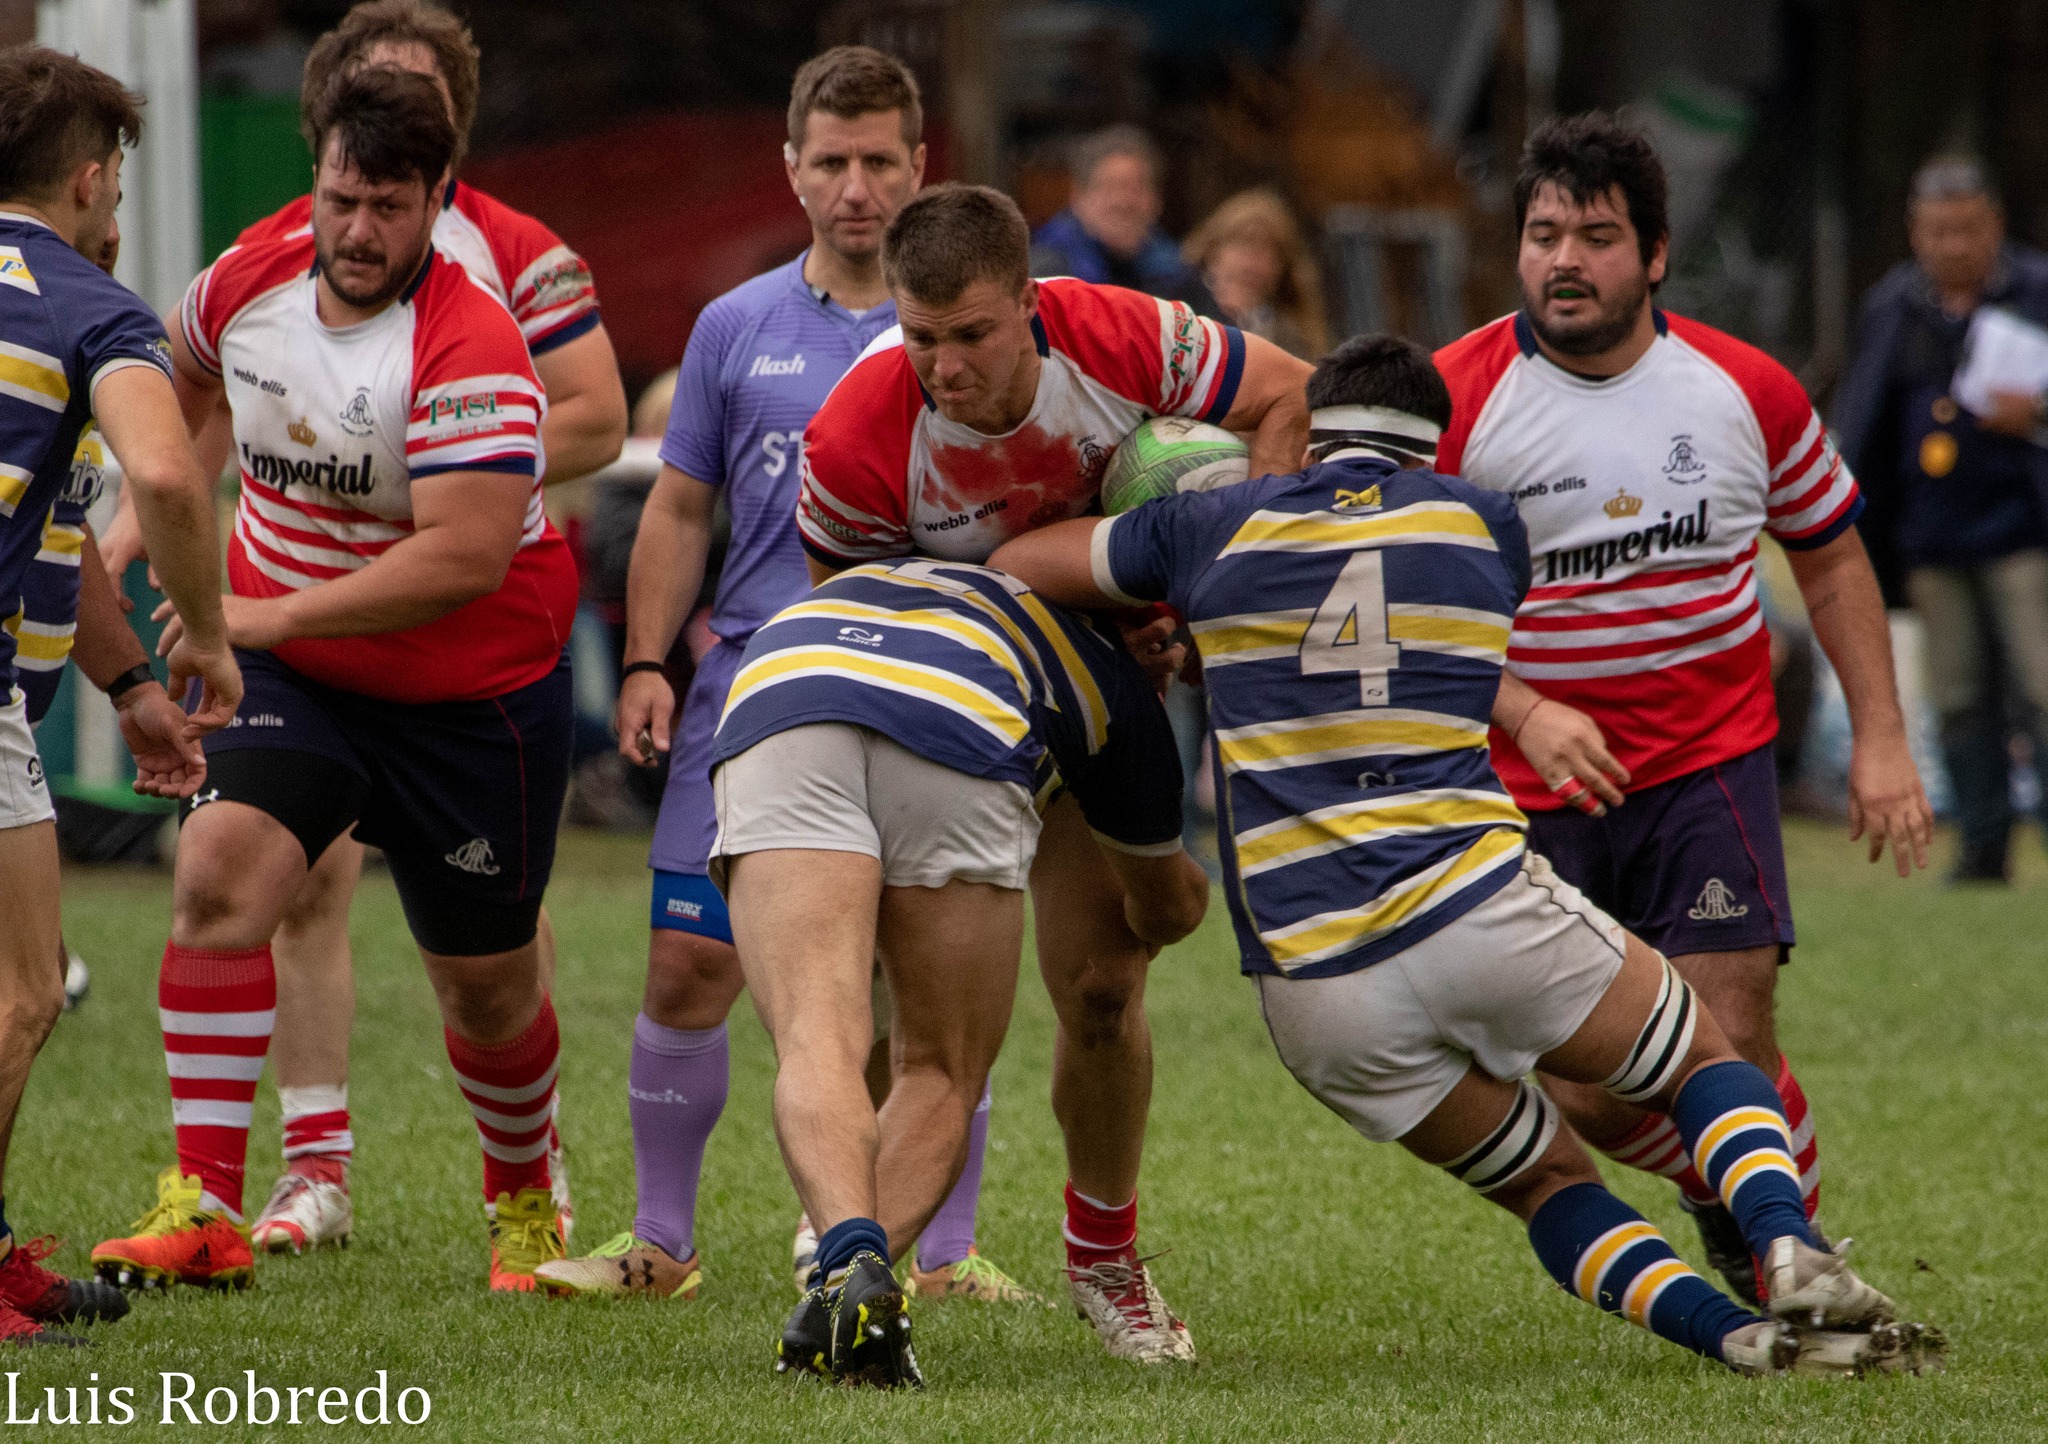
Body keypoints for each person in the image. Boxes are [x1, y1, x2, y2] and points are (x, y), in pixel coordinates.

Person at [988, 333, 1941, 1380]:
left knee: (1544, 1183)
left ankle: (1741, 1340)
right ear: (1431, 444)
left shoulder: (1206, 530)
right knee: (1703, 1063)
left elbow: (1016, 565)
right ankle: (1787, 1248)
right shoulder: (1485, 523)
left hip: (1314, 988)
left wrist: (1159, 582)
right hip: (1474, 909)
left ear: (1312, 428)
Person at [100, 0, 629, 1257]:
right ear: (317, 172)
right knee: (219, 875)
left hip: (471, 694)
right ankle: (204, 1208)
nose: (357, 230)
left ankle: (521, 1196)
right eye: (341, 199)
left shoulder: (475, 339)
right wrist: (133, 526)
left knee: (487, 985)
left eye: (388, 207)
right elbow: (180, 385)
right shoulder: (248, 274)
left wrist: (252, 609)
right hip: (295, 670)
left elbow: (461, 558)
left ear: (438, 199)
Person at [537, 46, 1033, 1307]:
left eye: (879, 161)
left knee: (923, 994)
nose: (856, 188)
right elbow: (677, 508)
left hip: (928, 690)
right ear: (791, 169)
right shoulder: (734, 326)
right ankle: (661, 1241)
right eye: (831, 162)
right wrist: (644, 662)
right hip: (750, 691)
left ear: (919, 166)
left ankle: (940, 1253)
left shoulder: (966, 330)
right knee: (685, 967)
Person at [797, 181, 1311, 1362]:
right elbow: (856, 620)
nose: (945, 367)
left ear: (1030, 302)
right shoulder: (855, 434)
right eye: (922, 337)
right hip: (948, 707)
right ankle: (851, 1238)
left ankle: (1103, 1257)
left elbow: (1288, 394)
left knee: (1102, 987)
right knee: (901, 995)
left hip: (1105, 696)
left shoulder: (1119, 333)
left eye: (972, 334)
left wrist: (1218, 591)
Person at [1430, 114, 1934, 1302]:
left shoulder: (1741, 389)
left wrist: (1878, 738)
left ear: (1653, 254)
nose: (1563, 260)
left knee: (1730, 1026)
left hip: (1707, 760)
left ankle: (1787, 1255)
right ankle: (1727, 1185)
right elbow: (1408, 603)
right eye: (1542, 235)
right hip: (1531, 786)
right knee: (1591, 1088)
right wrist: (1518, 708)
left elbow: (1829, 556)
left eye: (1594, 237)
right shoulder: (1455, 400)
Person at [712, 559, 1209, 1386]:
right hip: (959, 711)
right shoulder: (1113, 681)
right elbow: (1162, 910)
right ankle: (846, 1289)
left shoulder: (939, 566)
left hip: (782, 676)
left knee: (816, 1039)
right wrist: (1189, 895)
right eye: (1167, 644)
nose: (1171, 659)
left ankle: (847, 1267)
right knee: (941, 1069)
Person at [0, 45, 242, 1344]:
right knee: (23, 992)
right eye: (117, 191)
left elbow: (65, 528)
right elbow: (165, 476)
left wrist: (134, 683)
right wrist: (207, 635)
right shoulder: (86, 304)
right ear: (91, 179)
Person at [1833, 154, 2048, 884]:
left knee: (2041, 687)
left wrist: (2037, 412)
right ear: (1914, 232)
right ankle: (1982, 851)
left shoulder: (2036, 292)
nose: (1953, 245)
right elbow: (1863, 424)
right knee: (1956, 698)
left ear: (1996, 225)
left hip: (2024, 532)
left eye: (1967, 229)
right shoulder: (1892, 308)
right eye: (1937, 231)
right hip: (1929, 539)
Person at [1029, 126, 1214, 313]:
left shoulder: (1178, 277)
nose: (1123, 202)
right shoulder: (1046, 277)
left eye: (1137, 188)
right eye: (1110, 187)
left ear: (1157, 201)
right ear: (1078, 197)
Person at [1181, 189, 1329, 360]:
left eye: (1268, 250)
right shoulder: (1178, 302)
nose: (1251, 262)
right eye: (1243, 242)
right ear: (1213, 251)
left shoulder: (1296, 337)